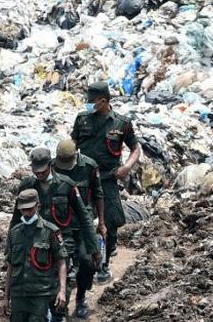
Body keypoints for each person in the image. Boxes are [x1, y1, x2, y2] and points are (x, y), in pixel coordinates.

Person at [10, 148, 100, 322]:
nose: (39, 175)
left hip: (62, 240)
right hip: (34, 241)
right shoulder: (27, 187)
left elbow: (84, 217)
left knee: (61, 281)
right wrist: (11, 248)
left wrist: (93, 247)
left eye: (43, 171)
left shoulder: (66, 185)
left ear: (50, 165)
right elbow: (16, 219)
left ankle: (60, 313)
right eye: (36, 172)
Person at [71, 81, 141, 283]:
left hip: (108, 178)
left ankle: (105, 263)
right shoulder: (82, 119)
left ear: (103, 101)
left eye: (92, 102)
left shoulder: (121, 123)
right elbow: (73, 143)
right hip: (84, 179)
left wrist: (127, 167)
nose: (88, 105)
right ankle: (78, 264)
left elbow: (136, 148)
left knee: (110, 221)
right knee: (79, 220)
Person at [53, 139, 105, 319]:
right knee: (62, 265)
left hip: (84, 224)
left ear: (76, 154)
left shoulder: (89, 167)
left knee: (87, 261)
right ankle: (61, 307)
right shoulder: (53, 168)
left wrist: (102, 223)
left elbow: (98, 194)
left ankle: (81, 296)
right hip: (62, 223)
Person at [3, 189, 68, 322]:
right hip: (18, 295)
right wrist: (5, 296)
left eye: (30, 209)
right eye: (23, 210)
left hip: (40, 294)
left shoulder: (50, 231)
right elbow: (10, 266)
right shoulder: (14, 232)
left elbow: (61, 262)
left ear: (38, 206)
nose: (26, 213)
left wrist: (62, 291)